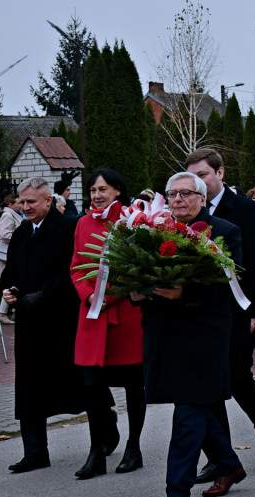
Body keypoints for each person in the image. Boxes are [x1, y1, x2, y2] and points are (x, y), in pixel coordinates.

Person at [134, 171, 246, 497]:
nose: (178, 199)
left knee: (188, 412)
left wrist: (186, 293)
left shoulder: (224, 231)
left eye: (186, 193)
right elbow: (135, 272)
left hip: (203, 333)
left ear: (201, 199)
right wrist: (135, 292)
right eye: (172, 194)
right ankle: (229, 465)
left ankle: (176, 494)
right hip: (164, 332)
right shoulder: (152, 231)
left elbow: (229, 281)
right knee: (197, 406)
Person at [185, 148, 255, 482]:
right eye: (193, 177)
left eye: (204, 175)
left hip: (239, 311)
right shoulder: (184, 212)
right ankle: (220, 456)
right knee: (210, 383)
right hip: (203, 313)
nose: (199, 182)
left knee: (237, 377)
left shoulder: (246, 210)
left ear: (220, 174)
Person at [1, 177, 89, 473]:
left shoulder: (68, 228)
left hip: (61, 321)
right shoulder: (22, 232)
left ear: (48, 201)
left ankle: (106, 430)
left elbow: (74, 271)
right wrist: (10, 289)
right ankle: (35, 451)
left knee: (77, 385)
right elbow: (11, 271)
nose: (25, 207)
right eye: (22, 202)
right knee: (29, 387)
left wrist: (44, 295)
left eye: (31, 202)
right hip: (29, 322)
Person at [69, 168, 145, 480]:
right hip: (92, 318)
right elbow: (76, 266)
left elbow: (140, 265)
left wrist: (109, 295)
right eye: (92, 191)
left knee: (132, 386)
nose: (97, 196)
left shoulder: (131, 220)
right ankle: (96, 450)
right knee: (92, 388)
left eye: (103, 189)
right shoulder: (83, 223)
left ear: (117, 190)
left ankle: (134, 447)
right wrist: (89, 295)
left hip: (125, 317)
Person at [0, 194, 24, 325]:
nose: (21, 205)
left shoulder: (14, 214)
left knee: (15, 283)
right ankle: (1, 314)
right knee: (9, 283)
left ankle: (13, 312)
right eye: (18, 203)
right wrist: (21, 238)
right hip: (8, 254)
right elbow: (4, 234)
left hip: (14, 253)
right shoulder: (8, 215)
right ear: (11, 205)